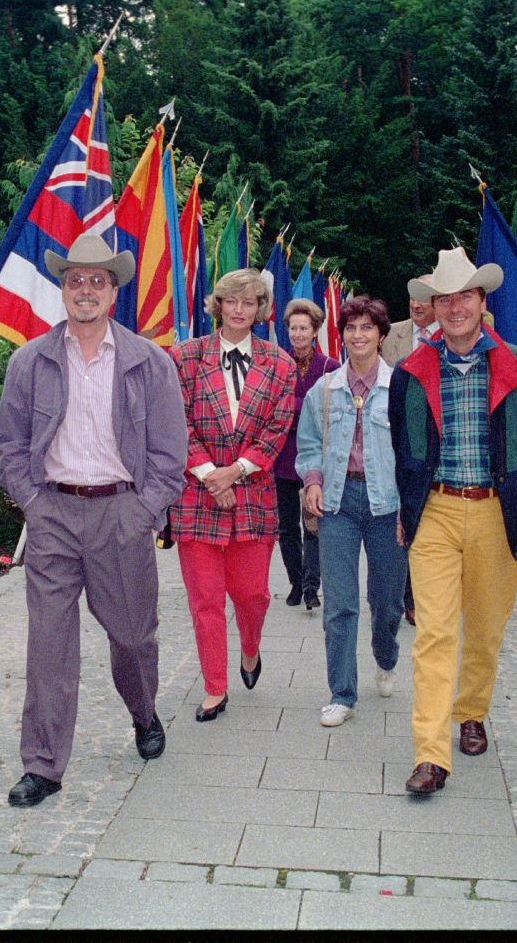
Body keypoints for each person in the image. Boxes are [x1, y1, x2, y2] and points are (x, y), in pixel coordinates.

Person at [0, 234, 189, 808]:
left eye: (97, 281)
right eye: (75, 279)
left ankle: (144, 711)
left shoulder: (148, 362)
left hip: (120, 516)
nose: (85, 290)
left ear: (113, 292)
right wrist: (32, 501)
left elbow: (169, 455)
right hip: (52, 514)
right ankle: (43, 766)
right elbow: (10, 442)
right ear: (63, 288)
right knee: (49, 645)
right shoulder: (30, 361)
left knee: (131, 636)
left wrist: (143, 510)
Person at [388, 247, 517, 794]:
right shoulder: (410, 373)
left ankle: (472, 710)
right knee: (434, 634)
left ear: (482, 302)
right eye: (445, 298)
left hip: (494, 513)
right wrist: (407, 512)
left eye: (465, 296)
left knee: (483, 630)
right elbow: (403, 450)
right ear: (431, 307)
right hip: (435, 512)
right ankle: (430, 754)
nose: (455, 307)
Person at [169, 268, 295, 722]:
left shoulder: (281, 363)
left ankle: (250, 647)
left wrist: (234, 473)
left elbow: (277, 429)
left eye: (250, 303)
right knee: (205, 600)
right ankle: (215, 688)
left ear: (261, 310)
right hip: (197, 499)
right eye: (232, 301)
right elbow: (175, 423)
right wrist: (208, 475)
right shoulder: (183, 358)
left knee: (253, 595)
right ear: (217, 305)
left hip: (253, 497)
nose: (240, 310)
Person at [297, 296, 406, 727]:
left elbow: (413, 452)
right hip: (339, 504)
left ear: (381, 335)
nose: (358, 336)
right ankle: (342, 692)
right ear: (341, 335)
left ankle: (386, 654)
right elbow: (309, 445)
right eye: (351, 328)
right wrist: (313, 482)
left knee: (387, 601)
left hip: (387, 505)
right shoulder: (323, 390)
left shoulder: (401, 389)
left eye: (367, 328)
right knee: (340, 604)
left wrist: (409, 508)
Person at [380, 276, 439, 626]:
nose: (416, 305)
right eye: (411, 298)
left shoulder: (453, 332)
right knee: (401, 522)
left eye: (424, 299)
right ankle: (403, 595)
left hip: (438, 444)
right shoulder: (392, 336)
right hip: (397, 438)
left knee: (427, 522)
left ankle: (419, 596)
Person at [274, 298, 340, 611]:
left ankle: (313, 587)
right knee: (287, 528)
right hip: (282, 458)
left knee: (313, 525)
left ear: (315, 331)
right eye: (293, 328)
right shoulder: (276, 364)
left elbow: (332, 410)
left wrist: (294, 407)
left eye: (304, 328)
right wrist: (304, 407)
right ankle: (296, 582)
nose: (298, 334)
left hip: (316, 459)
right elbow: (271, 408)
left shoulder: (330, 368)